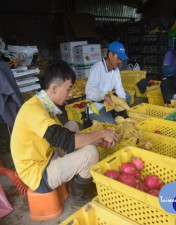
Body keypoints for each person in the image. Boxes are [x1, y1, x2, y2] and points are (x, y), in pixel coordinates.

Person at [11, 60, 119, 207]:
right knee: (90, 153)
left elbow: (62, 137)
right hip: (38, 175)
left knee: (72, 125)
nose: (71, 94)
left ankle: (73, 175)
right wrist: (101, 133)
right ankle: (78, 196)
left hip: (47, 155)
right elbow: (64, 139)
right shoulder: (33, 110)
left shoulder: (43, 104)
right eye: (68, 89)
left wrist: (94, 139)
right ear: (54, 88)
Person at [85, 41, 131, 124]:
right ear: (110, 55)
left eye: (121, 59)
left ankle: (113, 113)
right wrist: (104, 96)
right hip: (97, 107)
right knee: (113, 129)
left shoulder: (116, 70)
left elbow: (119, 87)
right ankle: (92, 119)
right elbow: (89, 90)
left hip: (108, 103)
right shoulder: (97, 68)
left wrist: (122, 99)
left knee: (127, 96)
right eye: (118, 58)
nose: (120, 61)